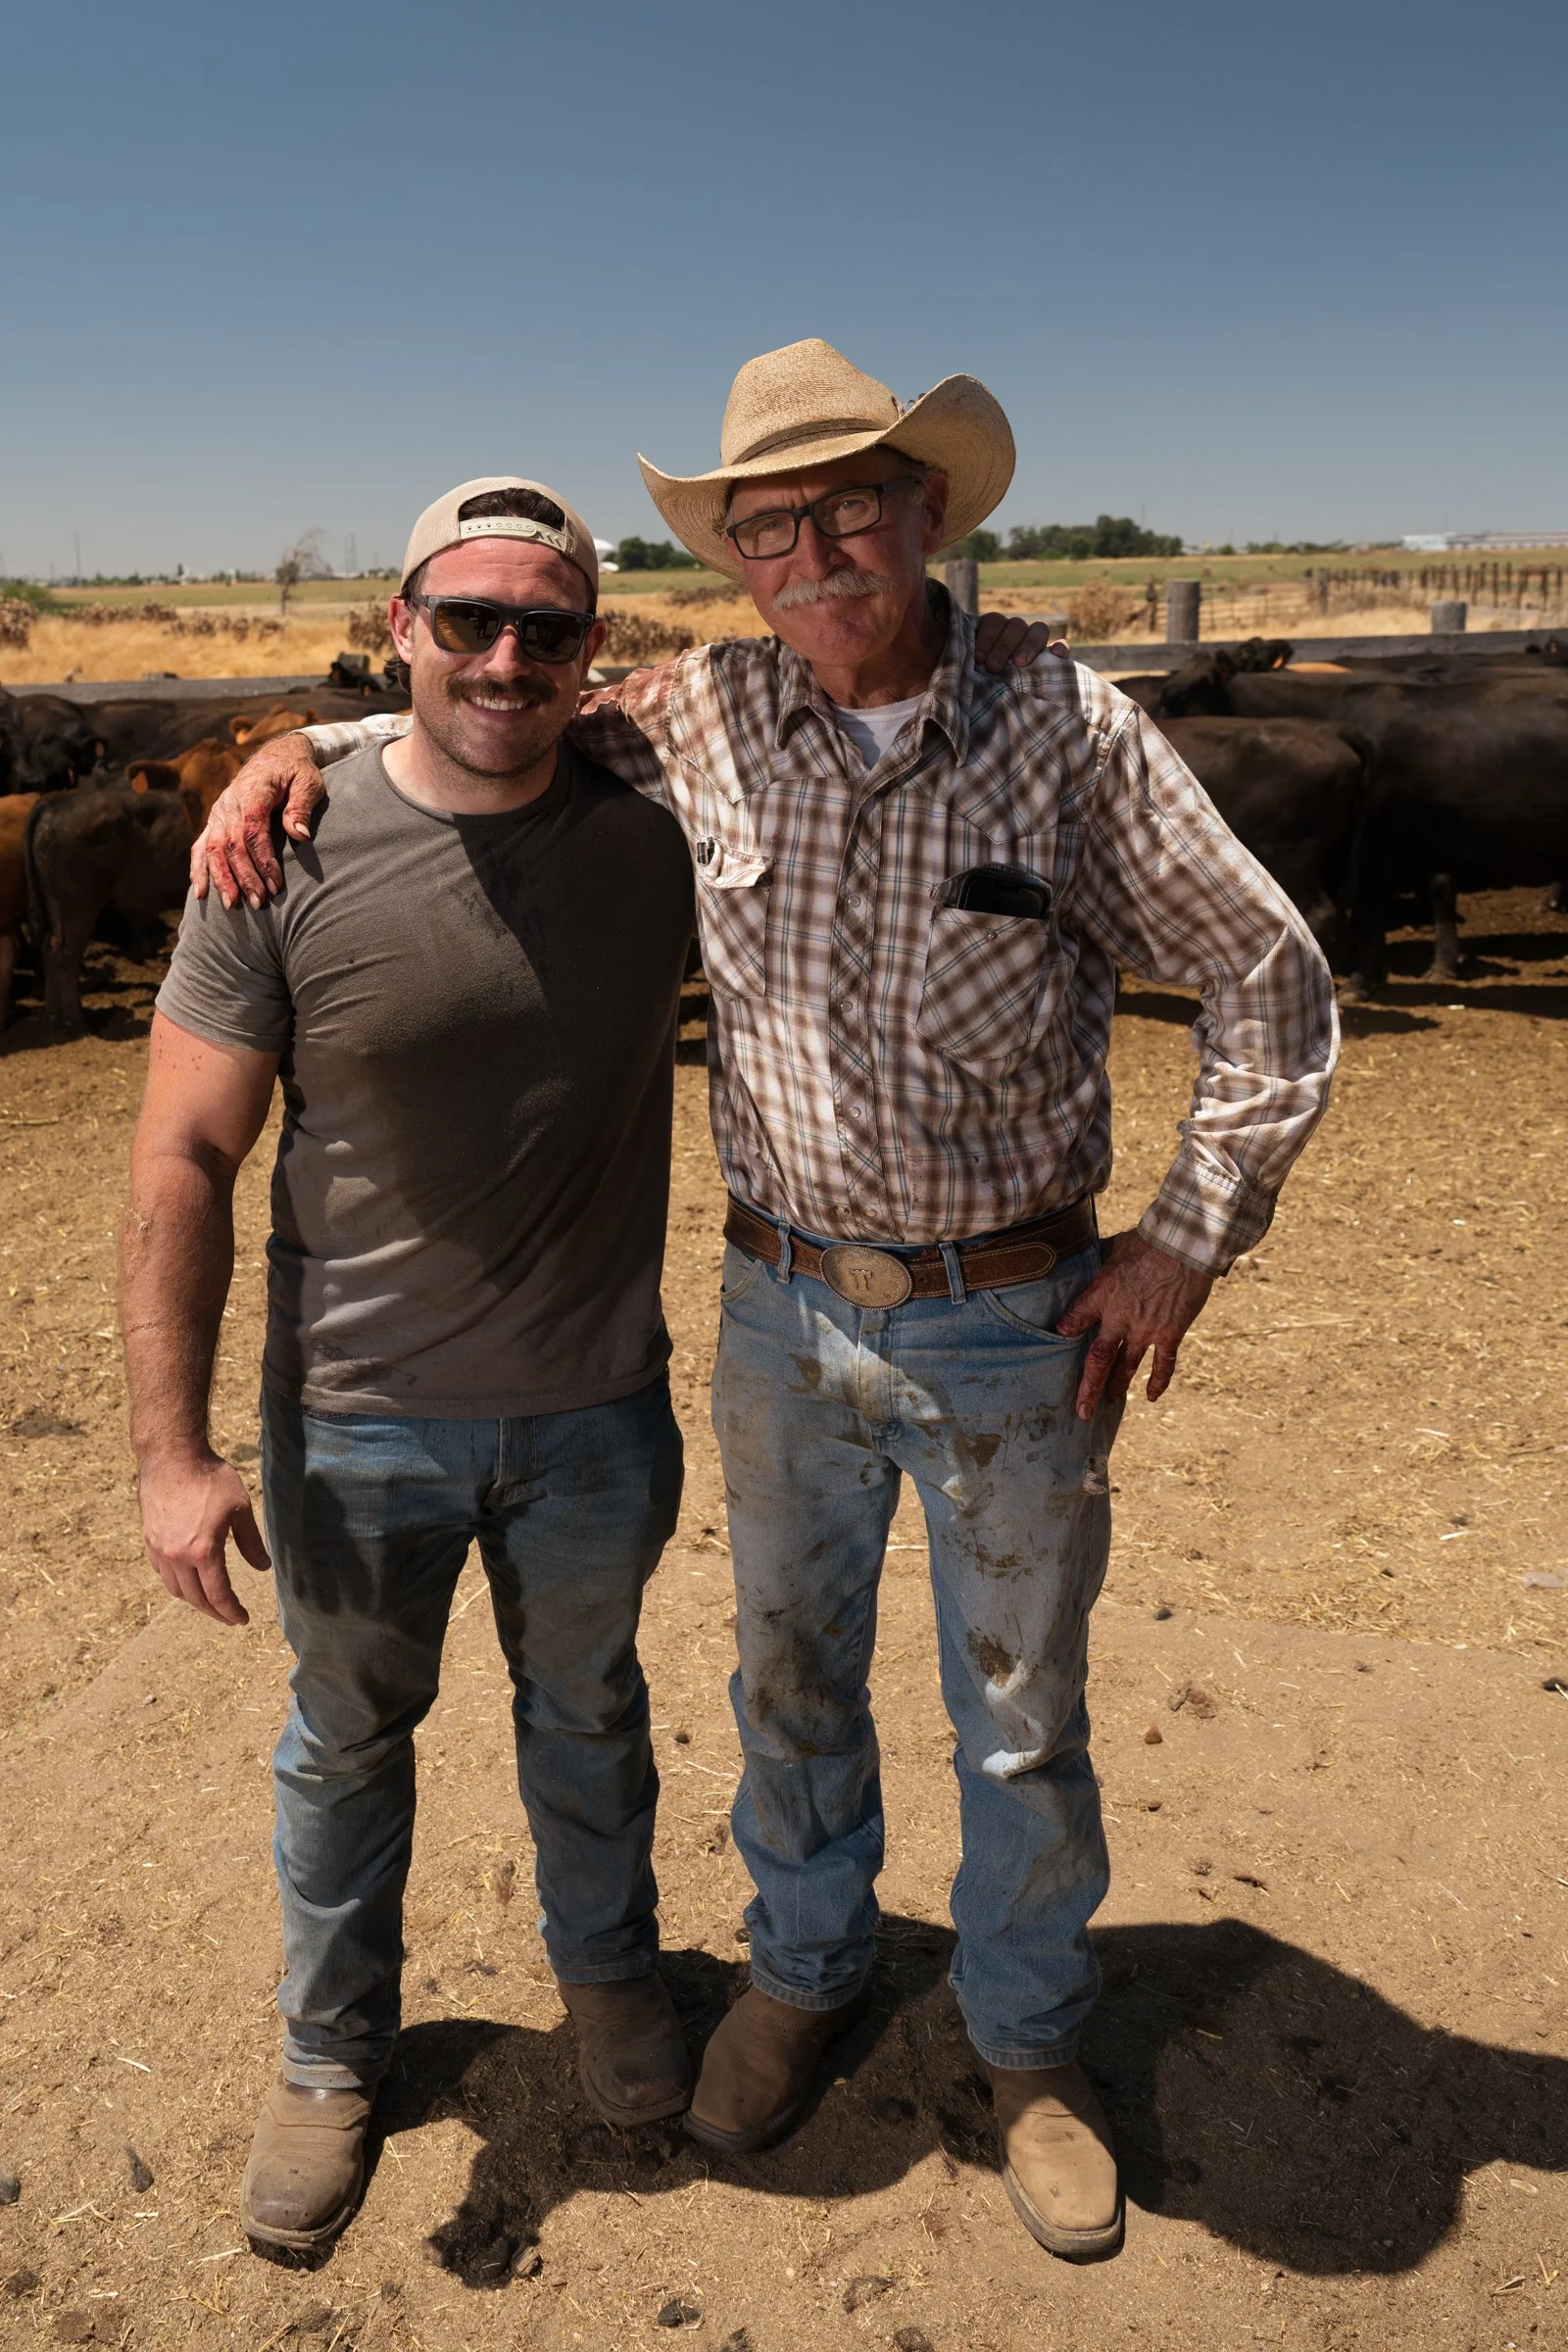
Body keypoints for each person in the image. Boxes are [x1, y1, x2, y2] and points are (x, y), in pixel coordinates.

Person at [195, 341, 1339, 2263]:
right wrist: (284, 754)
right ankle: (801, 1975)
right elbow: (474, 714)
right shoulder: (700, 715)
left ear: (928, 517)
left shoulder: (1070, 736)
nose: (807, 549)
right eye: (763, 523)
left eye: (846, 507)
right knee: (785, 1681)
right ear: (730, 559)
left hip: (1012, 1312)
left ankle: (1033, 2047)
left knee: (1015, 1711)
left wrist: (1178, 1241)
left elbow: (1273, 984)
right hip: (776, 1310)